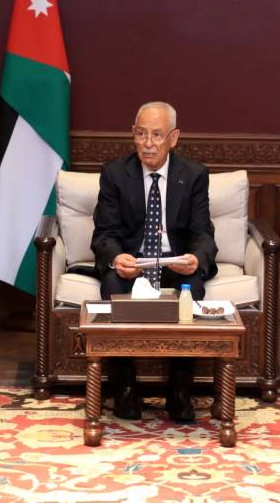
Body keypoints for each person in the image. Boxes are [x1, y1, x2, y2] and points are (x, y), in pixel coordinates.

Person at [91, 101, 218, 422]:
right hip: (133, 266)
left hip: (174, 266)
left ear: (173, 138)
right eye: (141, 134)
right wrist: (116, 257)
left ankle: (179, 389)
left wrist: (195, 259)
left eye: (157, 135)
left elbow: (203, 233)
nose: (148, 143)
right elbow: (104, 233)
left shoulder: (194, 175)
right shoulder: (115, 174)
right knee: (112, 284)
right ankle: (125, 387)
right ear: (132, 134)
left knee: (193, 288)